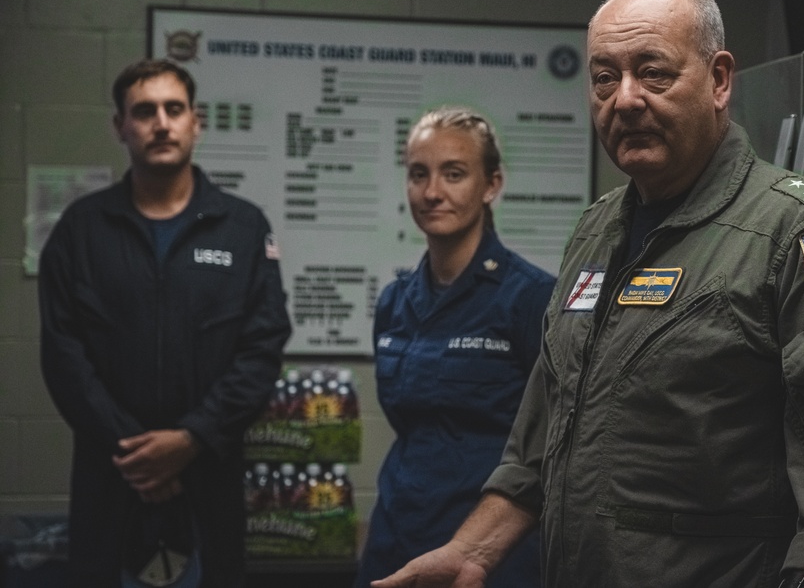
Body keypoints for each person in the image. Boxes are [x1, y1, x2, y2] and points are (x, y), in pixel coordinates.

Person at [370, 0, 804, 588]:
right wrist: (472, 552)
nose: (625, 99)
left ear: (718, 80)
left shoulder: (797, 233)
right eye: (605, 78)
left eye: (653, 72)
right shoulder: (596, 231)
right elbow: (541, 435)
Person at [37, 59, 292, 586]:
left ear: (195, 121)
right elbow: (64, 357)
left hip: (208, 477)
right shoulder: (81, 231)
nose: (161, 123)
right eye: (144, 111)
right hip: (110, 478)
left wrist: (191, 438)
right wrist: (138, 453)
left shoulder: (242, 228)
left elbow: (261, 349)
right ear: (120, 127)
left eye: (174, 109)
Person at [354, 107, 555, 588]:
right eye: (418, 174)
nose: (432, 192)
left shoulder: (531, 298)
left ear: (491, 185)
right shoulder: (394, 302)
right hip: (398, 536)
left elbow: (551, 443)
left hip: (492, 552)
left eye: (454, 174)